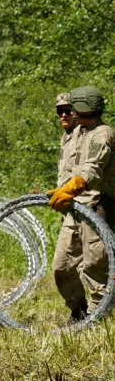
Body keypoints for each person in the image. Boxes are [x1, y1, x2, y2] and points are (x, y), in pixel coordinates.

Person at [49, 86, 115, 321]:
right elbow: (70, 167)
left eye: (72, 108)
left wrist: (71, 187)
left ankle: (100, 319)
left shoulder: (103, 133)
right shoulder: (77, 133)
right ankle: (78, 311)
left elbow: (92, 169)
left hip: (96, 209)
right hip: (73, 210)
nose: (68, 113)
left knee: (95, 268)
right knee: (62, 266)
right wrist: (60, 191)